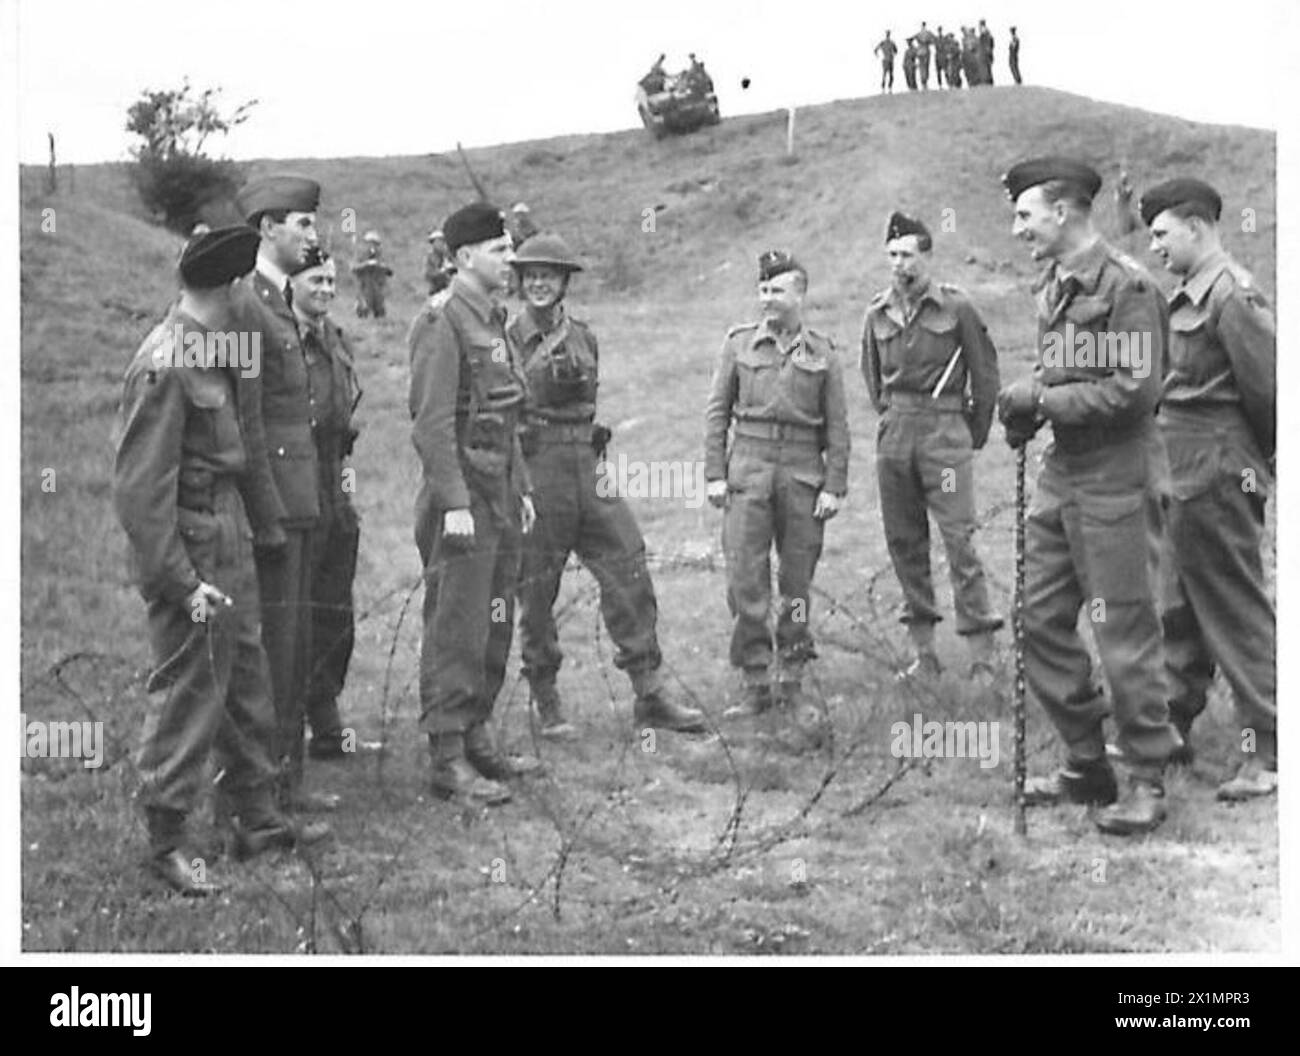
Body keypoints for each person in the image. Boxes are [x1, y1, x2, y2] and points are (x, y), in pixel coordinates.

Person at [113, 227, 328, 895]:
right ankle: (166, 838)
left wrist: (264, 528)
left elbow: (247, 444)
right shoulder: (167, 362)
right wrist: (181, 582)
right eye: (248, 288)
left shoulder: (221, 350)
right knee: (189, 686)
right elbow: (142, 492)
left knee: (246, 678)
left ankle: (254, 816)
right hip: (195, 541)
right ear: (234, 289)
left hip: (229, 530)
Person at [998, 156, 1182, 835]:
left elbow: (1135, 391)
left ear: (1065, 211)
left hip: (1117, 475)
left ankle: (1145, 778)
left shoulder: (1128, 287)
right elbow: (1069, 371)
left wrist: (1044, 399)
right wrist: (1034, 404)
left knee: (1124, 629)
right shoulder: (1057, 283)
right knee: (1036, 618)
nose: (1017, 229)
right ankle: (1086, 760)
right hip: (1064, 473)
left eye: (1025, 215)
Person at [507, 233, 708, 736]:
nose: (538, 283)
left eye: (548, 275)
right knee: (536, 584)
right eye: (529, 275)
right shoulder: (506, 339)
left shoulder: (584, 337)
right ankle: (546, 696)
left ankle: (648, 689)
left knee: (628, 561)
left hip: (587, 462)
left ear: (564, 283)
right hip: (539, 464)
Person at [1139, 178, 1277, 800]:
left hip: (1219, 471)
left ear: (1196, 227)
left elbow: (1272, 395)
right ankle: (1171, 730)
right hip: (1183, 470)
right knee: (1179, 608)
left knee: (1233, 610)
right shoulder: (1187, 296)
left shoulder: (1231, 297)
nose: (1154, 244)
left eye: (1162, 232)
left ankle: (1269, 750)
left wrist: (1246, 466)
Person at [408, 202, 540, 805]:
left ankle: (478, 731)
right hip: (463, 496)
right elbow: (432, 424)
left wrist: (524, 490)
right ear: (464, 258)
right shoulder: (443, 322)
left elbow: (506, 414)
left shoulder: (493, 319)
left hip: (501, 489)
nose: (510, 260)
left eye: (510, 249)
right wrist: (454, 502)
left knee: (495, 617)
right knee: (457, 622)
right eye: (499, 250)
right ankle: (447, 752)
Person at [704, 251, 850, 728]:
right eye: (762, 290)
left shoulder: (823, 352)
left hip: (803, 473)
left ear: (800, 295)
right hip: (749, 467)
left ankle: (791, 679)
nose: (767, 299)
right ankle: (755, 680)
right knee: (745, 577)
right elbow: (717, 414)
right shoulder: (739, 345)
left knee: (796, 580)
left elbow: (839, 427)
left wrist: (834, 486)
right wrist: (715, 474)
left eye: (777, 291)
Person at [234, 173, 340, 815]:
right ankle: (260, 795)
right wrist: (265, 512)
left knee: (295, 647)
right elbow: (246, 419)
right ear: (268, 228)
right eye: (302, 223)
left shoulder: (280, 304)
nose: (313, 233)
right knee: (272, 652)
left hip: (303, 501)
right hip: (276, 507)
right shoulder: (249, 305)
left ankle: (288, 783)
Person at [861, 212, 1003, 682]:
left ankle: (982, 652)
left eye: (907, 255)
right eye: (892, 255)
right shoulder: (877, 313)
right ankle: (923, 653)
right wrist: (893, 421)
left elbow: (984, 376)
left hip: (945, 434)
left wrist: (970, 434)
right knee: (904, 541)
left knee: (959, 539)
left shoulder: (956, 309)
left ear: (926, 256)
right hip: (897, 434)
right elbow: (872, 379)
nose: (899, 264)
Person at [287, 247, 372, 761]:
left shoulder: (335, 339)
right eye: (315, 279)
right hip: (298, 480)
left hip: (335, 482)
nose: (324, 289)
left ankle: (325, 709)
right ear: (291, 283)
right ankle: (289, 721)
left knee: (334, 605)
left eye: (331, 281)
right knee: (294, 607)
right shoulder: (281, 341)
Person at [351, 231, 392, 319]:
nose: (372, 246)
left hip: (378, 287)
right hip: (364, 286)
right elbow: (354, 268)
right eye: (370, 243)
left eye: (375, 244)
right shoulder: (361, 256)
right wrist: (366, 264)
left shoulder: (381, 256)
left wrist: (380, 265)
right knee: (364, 306)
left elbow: (389, 271)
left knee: (380, 309)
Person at [424, 229, 454, 296]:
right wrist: (443, 271)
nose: (440, 244)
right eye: (437, 241)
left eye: (442, 241)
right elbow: (429, 274)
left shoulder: (449, 254)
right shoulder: (431, 257)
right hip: (439, 290)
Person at [915, 22, 935, 89]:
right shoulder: (928, 33)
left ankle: (924, 81)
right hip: (925, 51)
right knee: (925, 67)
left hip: (921, 51)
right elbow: (933, 41)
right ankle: (924, 81)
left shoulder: (919, 34)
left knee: (922, 67)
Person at [978, 20, 995, 85]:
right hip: (986, 52)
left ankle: (988, 81)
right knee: (987, 67)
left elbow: (987, 43)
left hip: (986, 53)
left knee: (987, 67)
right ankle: (988, 80)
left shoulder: (985, 33)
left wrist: (988, 50)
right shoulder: (987, 33)